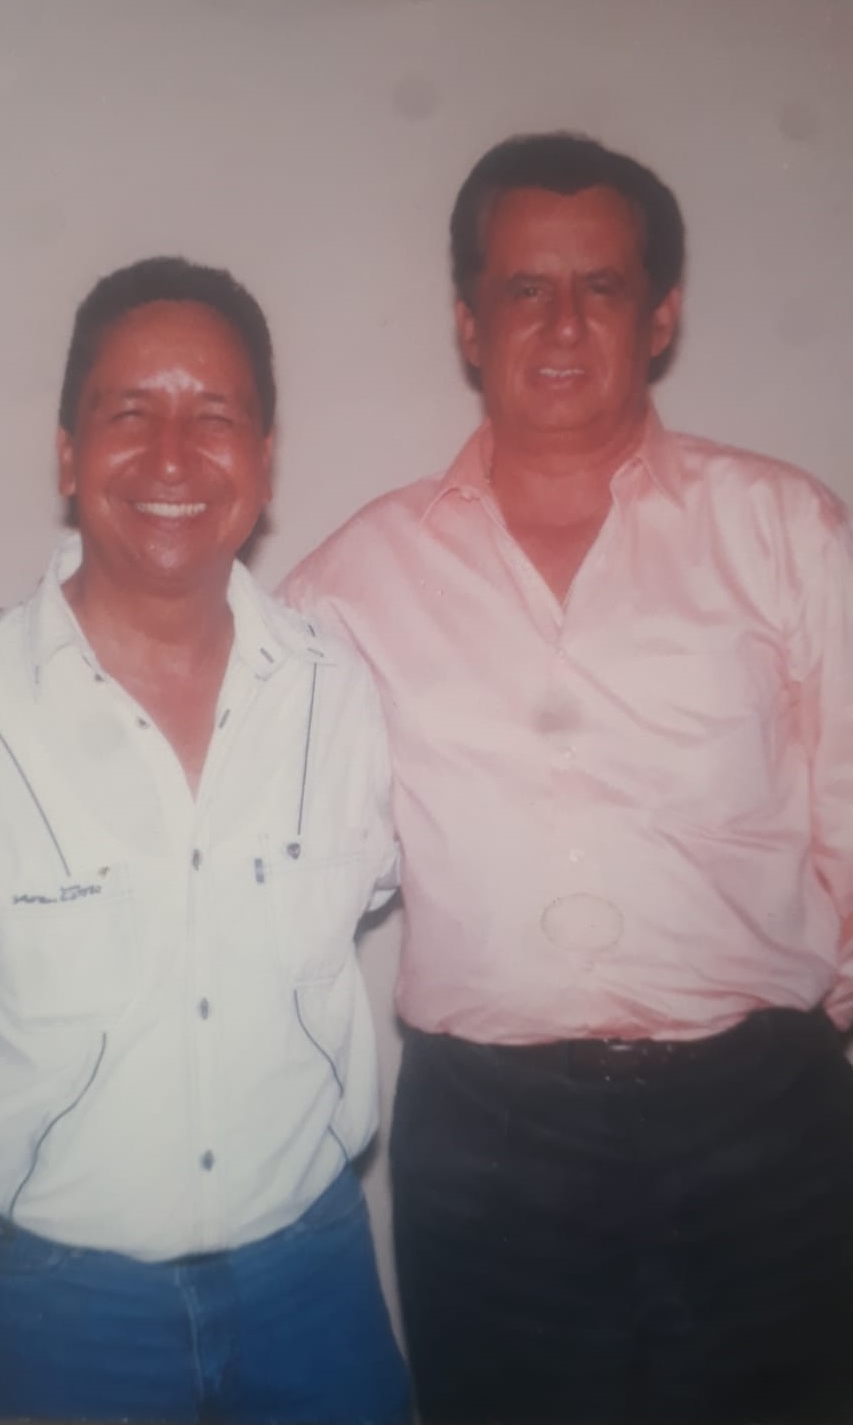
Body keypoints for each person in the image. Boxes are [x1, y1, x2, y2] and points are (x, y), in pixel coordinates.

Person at [280, 134, 853, 1424]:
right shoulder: (354, 581)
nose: (561, 322)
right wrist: (23, 653)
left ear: (661, 316)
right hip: (492, 1147)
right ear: (467, 323)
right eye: (524, 287)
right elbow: (214, 722)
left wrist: (780, 1055)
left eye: (600, 286)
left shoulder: (785, 530)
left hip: (762, 1127)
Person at [0, 257, 409, 1424]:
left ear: (263, 458)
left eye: (213, 417)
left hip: (313, 1282)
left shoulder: (342, 696)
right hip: (53, 1308)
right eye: (129, 414)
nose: (171, 458)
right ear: (68, 454)